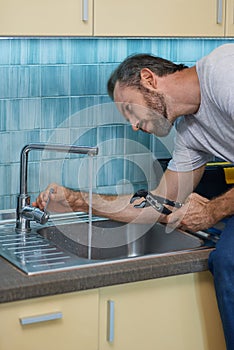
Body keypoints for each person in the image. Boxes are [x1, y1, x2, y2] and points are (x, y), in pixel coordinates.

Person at [34, 44, 234, 348]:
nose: (134, 126)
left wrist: (213, 210)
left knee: (229, 260)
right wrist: (77, 200)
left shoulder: (223, 72)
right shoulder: (192, 134)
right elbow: (156, 206)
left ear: (148, 79)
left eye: (130, 110)